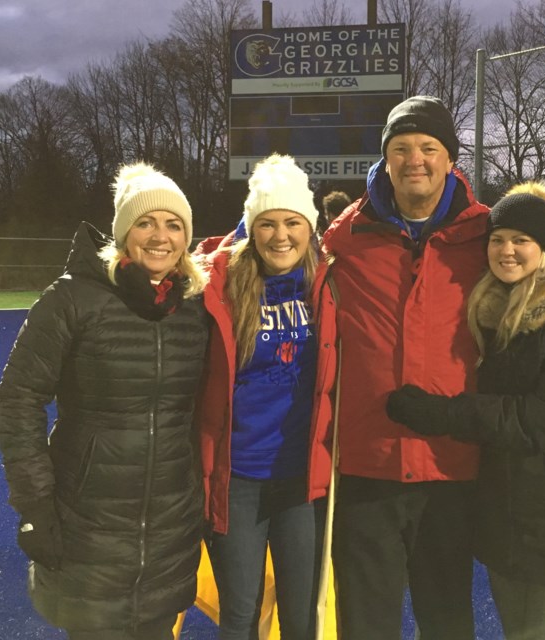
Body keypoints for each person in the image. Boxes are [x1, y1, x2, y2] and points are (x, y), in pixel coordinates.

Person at [386, 182, 545, 640]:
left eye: (521, 240)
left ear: (543, 247)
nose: (507, 250)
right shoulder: (494, 308)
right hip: (509, 514)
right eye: (497, 240)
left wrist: (442, 414)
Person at [0, 162, 210, 639]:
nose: (161, 236)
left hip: (168, 523)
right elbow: (19, 398)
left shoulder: (193, 308)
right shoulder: (71, 300)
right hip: (88, 520)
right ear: (122, 233)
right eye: (146, 222)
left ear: (186, 238)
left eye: (174, 224)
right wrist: (34, 504)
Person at [319, 95, 490, 639]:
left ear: (449, 158)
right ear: (385, 159)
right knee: (365, 626)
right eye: (401, 148)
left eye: (428, 147)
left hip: (452, 466)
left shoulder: (487, 236)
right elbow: (265, 258)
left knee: (447, 623)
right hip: (369, 469)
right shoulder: (343, 238)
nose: (415, 159)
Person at [196, 154, 335, 640]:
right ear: (250, 229)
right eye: (268, 223)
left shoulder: (329, 282)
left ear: (309, 226)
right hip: (238, 479)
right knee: (241, 614)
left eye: (292, 222)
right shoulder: (219, 283)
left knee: (302, 616)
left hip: (303, 478)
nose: (281, 236)